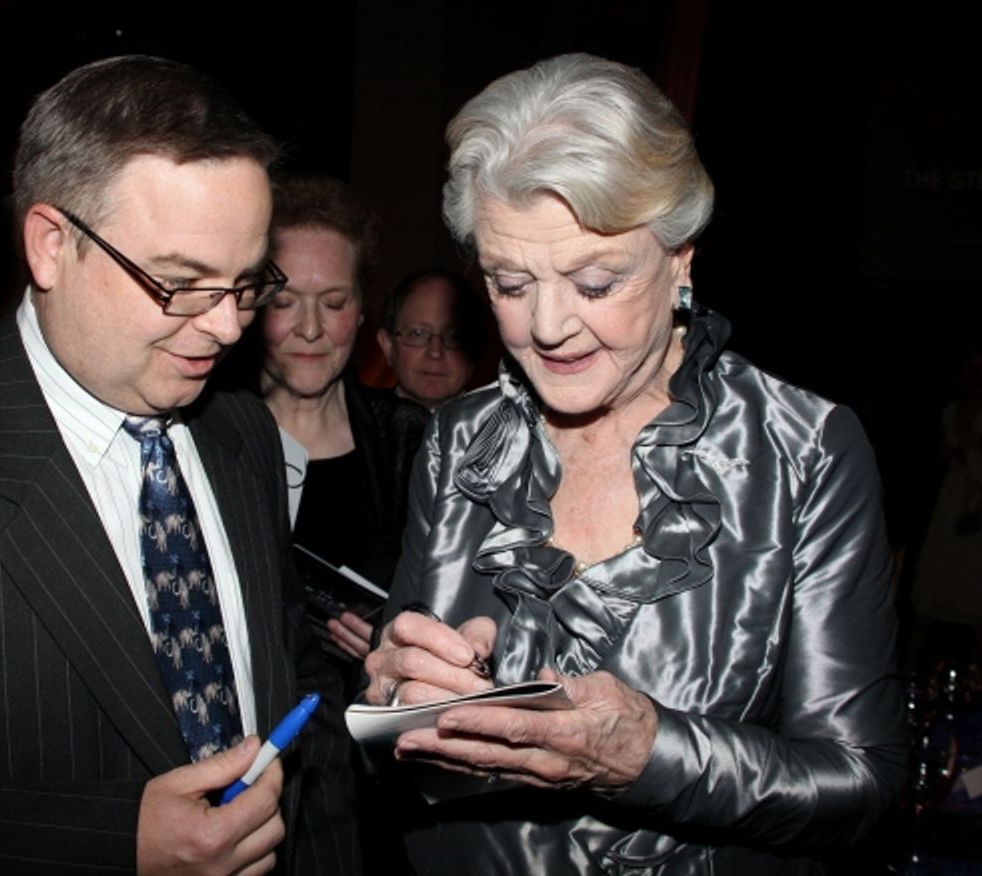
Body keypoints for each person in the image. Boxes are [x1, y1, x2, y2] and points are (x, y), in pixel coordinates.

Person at [0, 56, 358, 875]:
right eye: (181, 283)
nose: (230, 327)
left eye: (245, 283)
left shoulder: (242, 434)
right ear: (52, 247)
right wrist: (110, 843)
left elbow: (296, 685)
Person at [362, 53, 906, 874]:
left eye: (595, 281)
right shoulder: (458, 440)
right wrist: (394, 694)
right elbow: (397, 734)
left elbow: (864, 786)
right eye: (510, 283)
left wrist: (649, 755)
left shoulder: (803, 450)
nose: (547, 327)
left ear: (681, 256)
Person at [255, 176, 429, 665]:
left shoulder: (410, 439)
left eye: (333, 303)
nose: (310, 329)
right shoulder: (207, 436)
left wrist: (400, 633)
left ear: (359, 314)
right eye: (283, 303)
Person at [376, 269, 487, 410]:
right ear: (388, 346)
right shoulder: (355, 423)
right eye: (417, 333)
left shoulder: (509, 428)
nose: (435, 352)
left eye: (453, 337)